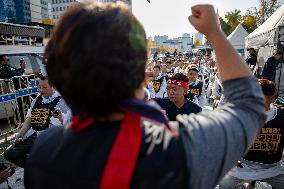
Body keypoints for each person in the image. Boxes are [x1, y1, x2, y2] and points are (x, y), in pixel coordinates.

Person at [24, 3, 266, 189]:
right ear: (141, 74)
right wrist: (215, 33)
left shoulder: (43, 151)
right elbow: (250, 105)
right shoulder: (179, 150)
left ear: (58, 79)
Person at [219, 79, 284, 189]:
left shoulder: (281, 117)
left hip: (273, 168)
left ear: (271, 98)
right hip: (245, 166)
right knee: (225, 183)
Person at [4, 76, 71, 168]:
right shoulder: (36, 100)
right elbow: (29, 119)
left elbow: (69, 124)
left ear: (53, 87)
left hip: (52, 137)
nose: (41, 90)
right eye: (39, 87)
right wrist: (20, 134)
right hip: (34, 135)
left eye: (44, 87)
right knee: (10, 154)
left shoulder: (62, 101)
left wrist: (60, 117)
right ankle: (36, 169)